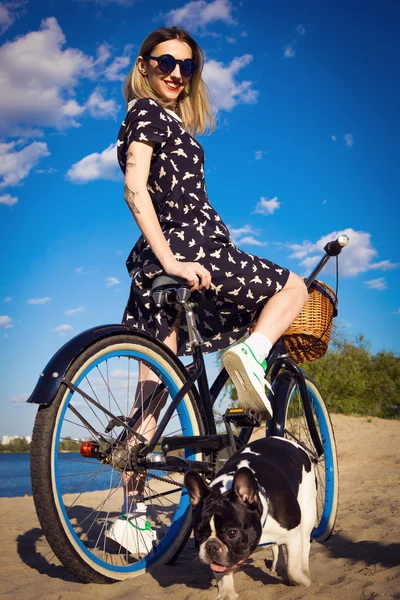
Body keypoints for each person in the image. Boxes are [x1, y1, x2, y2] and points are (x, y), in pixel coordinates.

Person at [108, 25, 308, 552]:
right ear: (143, 64)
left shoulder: (163, 119)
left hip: (156, 265)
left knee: (152, 403)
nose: (175, 72)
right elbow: (135, 187)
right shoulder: (145, 112)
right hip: (192, 252)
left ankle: (135, 520)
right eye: (165, 61)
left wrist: (162, 260)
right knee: (294, 288)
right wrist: (175, 256)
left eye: (187, 65)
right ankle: (252, 353)